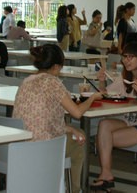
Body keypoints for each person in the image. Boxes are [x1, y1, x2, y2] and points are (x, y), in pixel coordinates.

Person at [13, 44, 102, 193]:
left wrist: (70, 129)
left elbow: (41, 119)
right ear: (55, 66)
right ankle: (74, 189)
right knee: (80, 140)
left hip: (20, 145)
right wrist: (92, 97)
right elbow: (77, 113)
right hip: (44, 146)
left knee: (75, 132)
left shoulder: (26, 81)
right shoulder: (53, 82)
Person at [94, 42, 137, 191]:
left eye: (131, 57)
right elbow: (105, 95)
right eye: (124, 56)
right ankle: (106, 174)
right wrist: (101, 82)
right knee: (104, 124)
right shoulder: (124, 78)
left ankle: (106, 176)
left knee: (104, 140)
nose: (126, 60)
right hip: (129, 122)